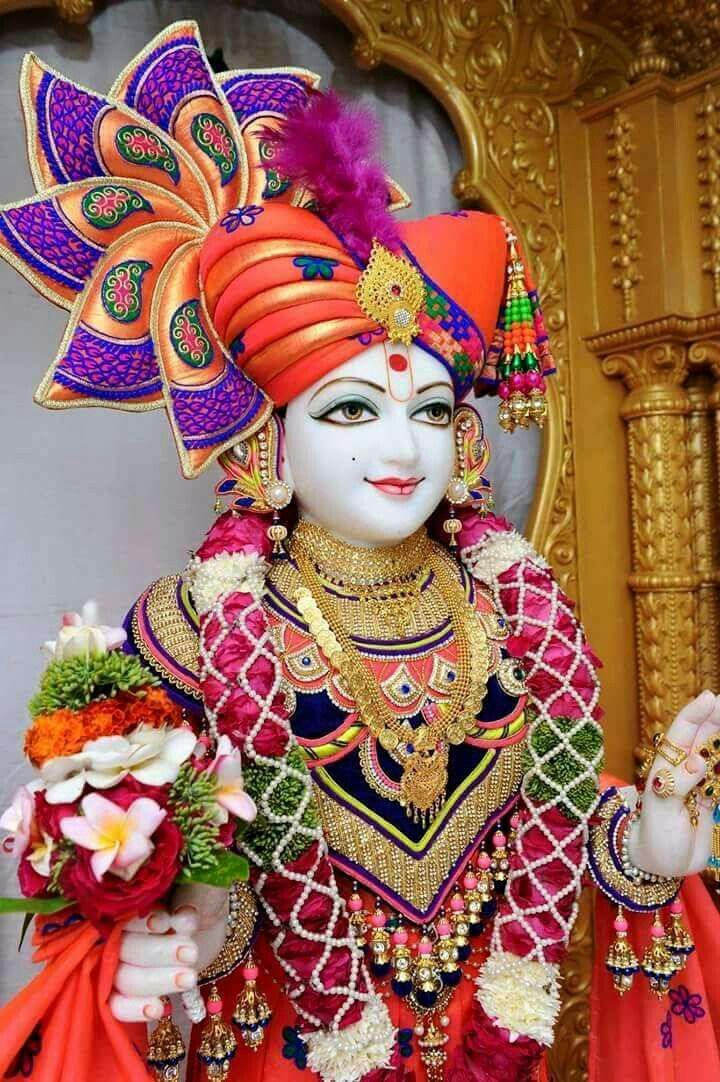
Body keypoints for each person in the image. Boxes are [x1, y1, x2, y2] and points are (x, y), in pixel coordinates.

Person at [2, 20, 720, 1082]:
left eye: (431, 410)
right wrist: (179, 924)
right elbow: (160, 882)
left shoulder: (510, 605)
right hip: (295, 1050)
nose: (403, 448)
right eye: (351, 410)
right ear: (269, 439)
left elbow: (548, 819)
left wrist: (649, 844)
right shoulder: (191, 625)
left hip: (498, 1044)